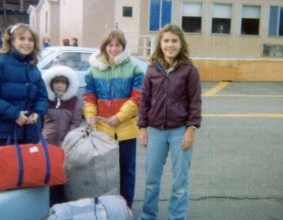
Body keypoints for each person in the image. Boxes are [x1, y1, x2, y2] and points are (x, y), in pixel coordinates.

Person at [138, 24, 202, 220]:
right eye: (166, 41)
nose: (170, 45)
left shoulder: (189, 70)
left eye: (174, 41)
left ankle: (177, 216)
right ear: (160, 43)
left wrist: (191, 129)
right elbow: (145, 100)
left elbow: (195, 101)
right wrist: (142, 127)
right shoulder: (152, 70)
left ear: (181, 43)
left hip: (179, 131)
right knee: (151, 180)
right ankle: (148, 216)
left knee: (180, 181)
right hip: (156, 131)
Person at [83, 29, 144, 208]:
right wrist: (90, 115)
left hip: (126, 130)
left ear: (123, 47)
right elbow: (89, 96)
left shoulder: (133, 67)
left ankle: (126, 208)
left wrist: (119, 117)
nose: (114, 49)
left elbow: (137, 96)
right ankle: (107, 209)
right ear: (104, 47)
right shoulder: (93, 70)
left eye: (118, 45)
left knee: (127, 171)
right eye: (110, 45)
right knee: (105, 172)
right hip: (103, 130)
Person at [0, 23, 49, 147]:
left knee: (26, 166)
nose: (26, 43)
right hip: (3, 132)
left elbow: (42, 97)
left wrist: (37, 113)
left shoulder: (32, 67)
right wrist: (15, 115)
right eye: (22, 38)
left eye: (30, 39)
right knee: (7, 166)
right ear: (12, 41)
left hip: (29, 132)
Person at [42, 64, 83, 205]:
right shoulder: (45, 100)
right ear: (51, 84)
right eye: (56, 82)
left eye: (62, 82)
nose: (59, 86)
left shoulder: (74, 101)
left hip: (65, 145)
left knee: (63, 176)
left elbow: (76, 122)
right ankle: (48, 205)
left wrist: (67, 140)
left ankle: (63, 205)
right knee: (48, 176)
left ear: (67, 85)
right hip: (47, 144)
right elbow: (40, 121)